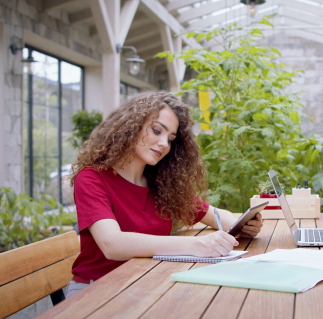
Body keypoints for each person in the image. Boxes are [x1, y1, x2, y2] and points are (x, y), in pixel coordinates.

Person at [65, 92, 263, 298]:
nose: (164, 144)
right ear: (129, 127)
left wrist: (243, 226)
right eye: (157, 131)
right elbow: (112, 244)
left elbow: (214, 215)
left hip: (146, 283)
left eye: (170, 139)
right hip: (96, 290)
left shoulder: (161, 184)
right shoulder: (92, 178)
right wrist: (197, 245)